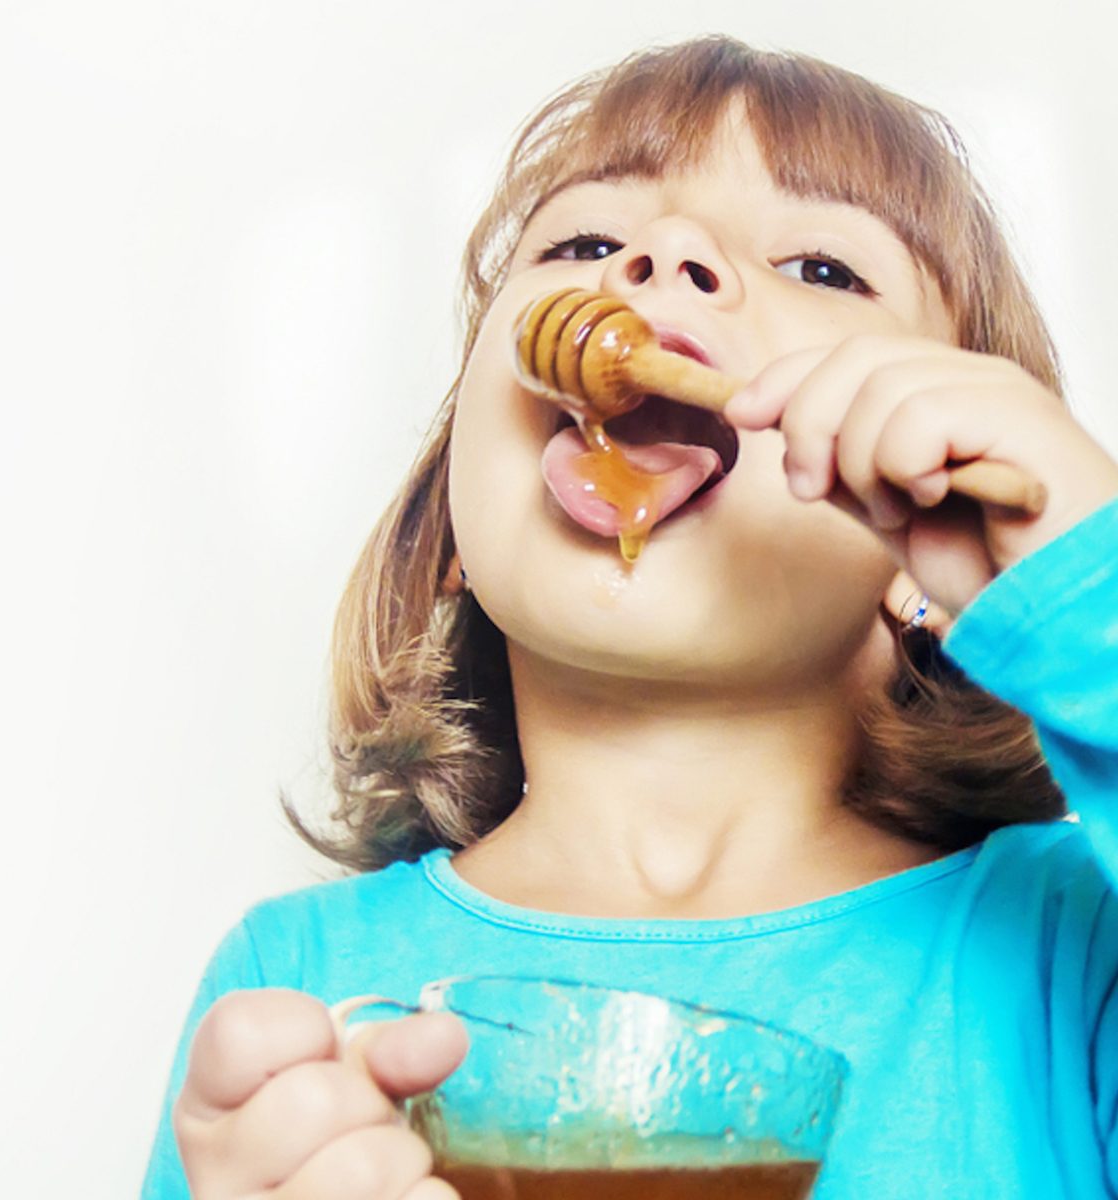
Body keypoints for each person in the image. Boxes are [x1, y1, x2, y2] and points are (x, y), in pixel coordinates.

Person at [141, 36, 1118, 1199]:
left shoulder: (1074, 948)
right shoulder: (296, 996)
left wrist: (1090, 585)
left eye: (819, 266)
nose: (669, 254)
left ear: (937, 544)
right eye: (586, 245)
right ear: (447, 533)